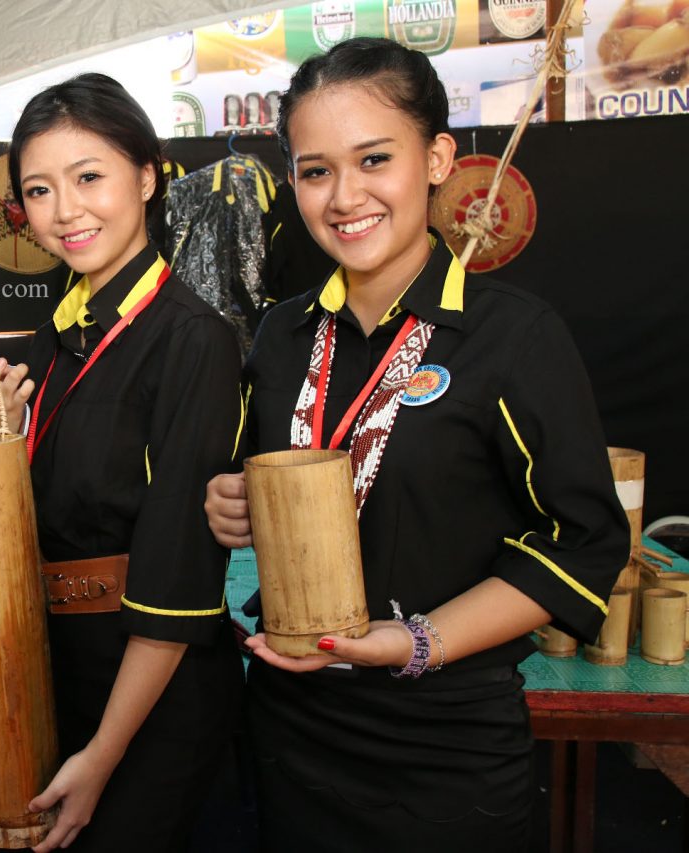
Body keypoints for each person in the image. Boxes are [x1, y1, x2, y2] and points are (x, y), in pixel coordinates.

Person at [203, 38, 627, 850]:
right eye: (315, 169)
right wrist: (228, 502)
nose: (343, 195)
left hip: (446, 747)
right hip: (293, 728)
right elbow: (266, 490)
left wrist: (414, 640)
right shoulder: (282, 336)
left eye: (373, 159)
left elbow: (587, 543)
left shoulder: (511, 337)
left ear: (436, 158)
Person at [0, 73, 244, 852]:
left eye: (89, 176)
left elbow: (176, 569)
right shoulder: (54, 336)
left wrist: (104, 754)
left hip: (152, 695)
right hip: (60, 669)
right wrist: (5, 442)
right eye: (40, 189)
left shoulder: (193, 338)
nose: (67, 210)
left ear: (148, 174)